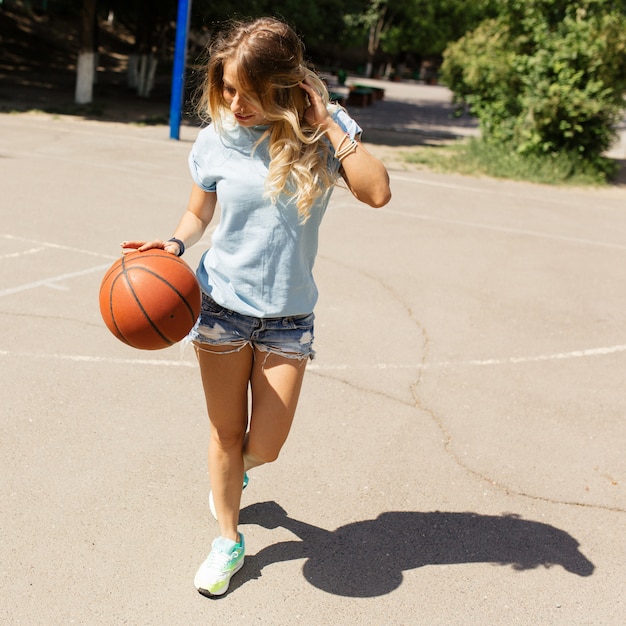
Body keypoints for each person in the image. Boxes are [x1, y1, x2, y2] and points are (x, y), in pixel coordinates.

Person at [121, 16, 391, 597]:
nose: (233, 102)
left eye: (247, 90)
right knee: (225, 432)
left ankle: (234, 477)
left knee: (263, 445)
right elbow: (199, 213)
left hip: (290, 316)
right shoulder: (216, 136)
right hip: (219, 304)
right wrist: (172, 244)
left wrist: (328, 124)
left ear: (283, 85)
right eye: (225, 87)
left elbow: (377, 192)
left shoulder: (321, 133)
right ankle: (228, 537)